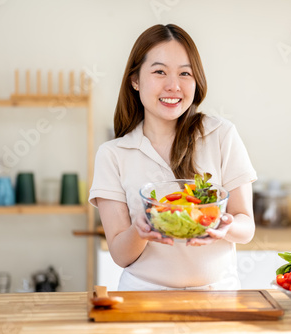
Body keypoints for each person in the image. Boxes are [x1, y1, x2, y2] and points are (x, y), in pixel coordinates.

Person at [89, 24, 257, 291]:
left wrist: (224, 225)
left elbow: (246, 226)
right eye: (159, 72)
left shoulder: (221, 134)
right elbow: (120, 254)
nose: (173, 86)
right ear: (135, 80)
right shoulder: (113, 155)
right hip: (144, 298)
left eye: (184, 73)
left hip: (218, 295)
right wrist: (139, 230)